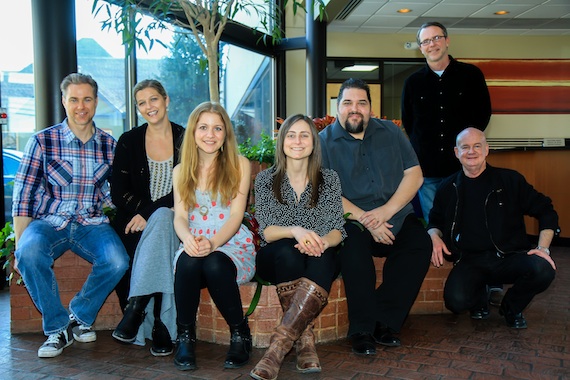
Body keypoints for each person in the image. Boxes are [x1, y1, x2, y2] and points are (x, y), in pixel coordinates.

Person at [12, 73, 129, 358]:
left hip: (91, 222)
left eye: (87, 99)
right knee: (28, 254)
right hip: (48, 222)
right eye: (74, 99)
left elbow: (115, 192)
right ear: (64, 101)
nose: (81, 106)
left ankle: (78, 315)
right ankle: (57, 328)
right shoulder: (43, 141)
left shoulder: (109, 145)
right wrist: (19, 246)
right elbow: (24, 195)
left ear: (96, 102)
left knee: (117, 261)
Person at [319, 78, 432, 356]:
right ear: (337, 107)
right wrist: (368, 220)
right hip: (352, 219)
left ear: (370, 108)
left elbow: (414, 174)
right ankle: (361, 329)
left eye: (361, 103)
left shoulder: (391, 133)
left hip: (394, 213)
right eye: (347, 103)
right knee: (353, 252)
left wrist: (386, 212)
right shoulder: (323, 142)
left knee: (419, 245)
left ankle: (384, 320)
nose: (354, 108)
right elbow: (326, 189)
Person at [427, 127, 558, 329]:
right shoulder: (447, 187)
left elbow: (546, 210)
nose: (471, 152)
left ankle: (511, 308)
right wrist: (434, 236)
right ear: (456, 152)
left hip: (509, 256)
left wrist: (542, 249)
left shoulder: (510, 180)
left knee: (543, 269)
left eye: (477, 146)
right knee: (456, 302)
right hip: (470, 260)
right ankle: (480, 295)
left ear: (487, 150)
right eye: (465, 147)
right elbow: (434, 222)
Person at [250, 114, 346, 380]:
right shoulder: (266, 179)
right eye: (291, 135)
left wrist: (323, 241)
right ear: (282, 142)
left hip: (317, 255)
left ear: (314, 143)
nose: (297, 141)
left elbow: (338, 229)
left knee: (324, 257)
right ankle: (301, 341)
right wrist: (296, 231)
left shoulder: (329, 180)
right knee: (287, 251)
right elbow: (267, 231)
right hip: (276, 258)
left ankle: (280, 349)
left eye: (304, 135)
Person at [171, 101, 255, 371]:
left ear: (226, 134)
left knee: (214, 262)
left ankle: (240, 333)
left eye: (217, 128)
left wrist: (213, 243)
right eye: (204, 127)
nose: (210, 134)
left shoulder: (239, 165)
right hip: (194, 240)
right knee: (187, 261)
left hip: (229, 242)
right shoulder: (181, 171)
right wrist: (187, 240)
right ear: (193, 132)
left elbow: (235, 216)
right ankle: (184, 336)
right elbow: (180, 217)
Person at [110, 79, 185, 356]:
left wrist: (150, 214)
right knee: (128, 257)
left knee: (164, 223)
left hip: (177, 220)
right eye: (141, 103)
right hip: (132, 220)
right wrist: (143, 212)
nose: (148, 107)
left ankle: (137, 311)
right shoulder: (129, 141)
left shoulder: (186, 138)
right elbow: (118, 192)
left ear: (166, 101)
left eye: (153, 99)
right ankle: (161, 328)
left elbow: (186, 189)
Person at [401, 21, 492, 223]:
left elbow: (483, 114)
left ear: (447, 41)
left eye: (436, 38)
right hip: (428, 169)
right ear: (421, 48)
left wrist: (468, 145)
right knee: (434, 223)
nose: (432, 44)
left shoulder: (471, 75)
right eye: (426, 41)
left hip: (463, 166)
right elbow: (409, 122)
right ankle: (438, 255)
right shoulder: (412, 83)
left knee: (468, 219)